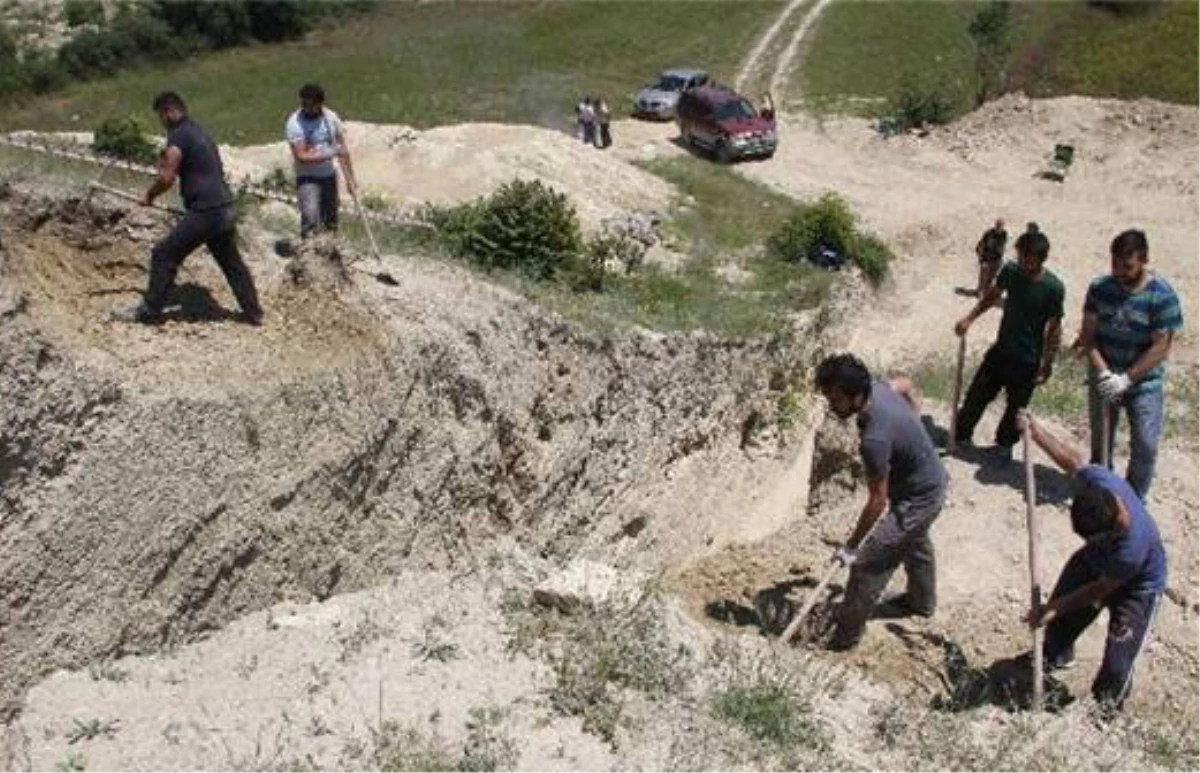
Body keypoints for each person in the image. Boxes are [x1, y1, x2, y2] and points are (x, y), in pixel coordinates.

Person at [1020, 412, 1166, 714]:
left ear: (1112, 528)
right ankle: (1054, 655)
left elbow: (1099, 590)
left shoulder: (1132, 546)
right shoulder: (1103, 484)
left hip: (1135, 588)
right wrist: (1036, 431)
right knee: (1061, 616)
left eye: (1092, 539)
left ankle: (1106, 708)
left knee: (1118, 658)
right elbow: (1073, 461)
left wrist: (1051, 608)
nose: (1087, 542)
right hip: (1097, 565)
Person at [814, 354, 949, 651]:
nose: (831, 405)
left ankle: (844, 638)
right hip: (929, 478)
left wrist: (852, 547)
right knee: (914, 539)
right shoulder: (878, 387)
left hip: (920, 496)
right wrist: (913, 421)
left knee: (867, 565)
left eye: (836, 399)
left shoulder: (874, 440)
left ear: (856, 395)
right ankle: (921, 602)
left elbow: (877, 502)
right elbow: (906, 384)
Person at [111, 91, 263, 326]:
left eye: (161, 116)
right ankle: (254, 313)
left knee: (164, 254)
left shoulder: (178, 136)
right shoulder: (199, 130)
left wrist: (149, 195)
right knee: (230, 260)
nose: (161, 122)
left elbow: (167, 178)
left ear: (169, 111)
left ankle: (148, 312)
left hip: (207, 210)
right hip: (225, 206)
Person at [1080, 229, 1183, 500]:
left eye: (1127, 265)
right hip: (1105, 372)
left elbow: (1161, 347)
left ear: (1144, 259)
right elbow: (1087, 337)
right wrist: (1103, 373)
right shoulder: (1100, 288)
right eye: (1114, 264)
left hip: (1144, 382)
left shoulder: (1161, 296)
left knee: (1146, 445)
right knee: (1101, 439)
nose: (1119, 271)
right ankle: (1102, 489)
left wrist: (1126, 379)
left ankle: (1134, 499)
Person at [953, 223, 1064, 458]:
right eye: (1021, 255)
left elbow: (1054, 328)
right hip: (1002, 350)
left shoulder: (1053, 288)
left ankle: (1003, 447)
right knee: (977, 394)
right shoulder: (1011, 272)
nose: (1023, 261)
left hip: (1028, 359)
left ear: (1040, 259)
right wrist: (969, 318)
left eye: (1028, 258)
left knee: (1015, 408)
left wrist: (1047, 363)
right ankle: (961, 436)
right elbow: (992, 296)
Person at [286, 83, 357, 239]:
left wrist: (351, 178)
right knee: (310, 217)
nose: (306, 109)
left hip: (328, 176)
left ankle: (330, 253)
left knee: (330, 218)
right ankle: (309, 254)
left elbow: (343, 148)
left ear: (320, 103)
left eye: (311, 105)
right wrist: (330, 152)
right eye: (304, 104)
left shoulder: (331, 118)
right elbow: (301, 156)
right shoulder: (295, 123)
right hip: (307, 178)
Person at [975, 218, 1008, 297]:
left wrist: (1001, 258)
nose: (999, 228)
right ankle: (980, 291)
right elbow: (981, 246)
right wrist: (981, 259)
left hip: (996, 259)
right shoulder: (989, 233)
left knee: (992, 276)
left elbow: (1002, 246)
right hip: (986, 258)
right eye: (998, 225)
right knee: (983, 276)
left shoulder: (1004, 234)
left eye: (1001, 226)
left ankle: (986, 291)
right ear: (995, 225)